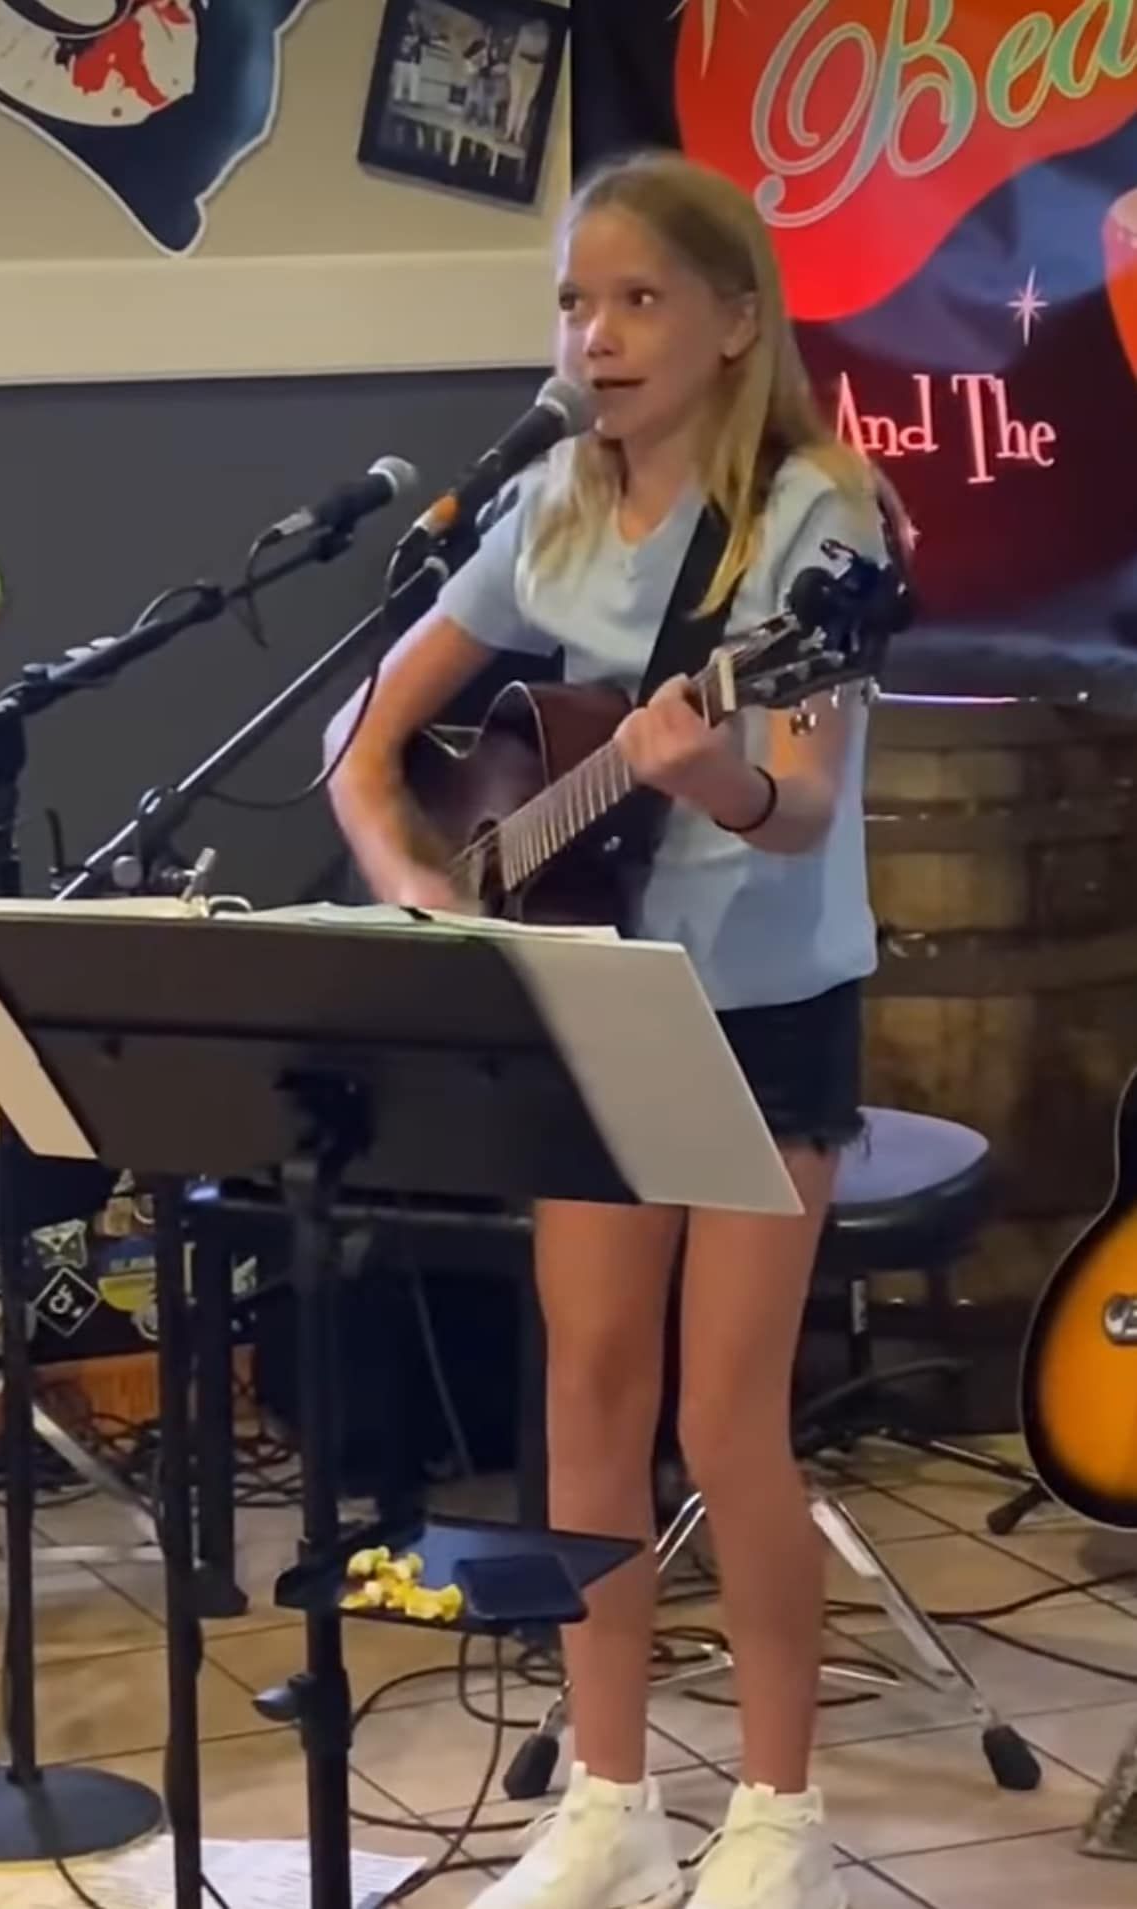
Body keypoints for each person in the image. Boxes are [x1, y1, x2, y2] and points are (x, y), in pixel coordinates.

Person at [326, 149, 895, 1909]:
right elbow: (361, 748)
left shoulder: (822, 520)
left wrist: (702, 763)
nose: (601, 331)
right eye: (578, 300)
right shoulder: (551, 502)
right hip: (584, 997)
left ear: (737, 322)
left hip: (759, 1008)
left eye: (641, 299)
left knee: (728, 1419)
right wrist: (432, 895)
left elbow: (794, 808)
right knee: (586, 1391)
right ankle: (611, 1793)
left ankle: (778, 1816)